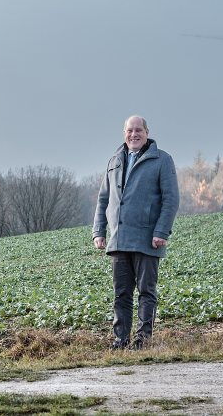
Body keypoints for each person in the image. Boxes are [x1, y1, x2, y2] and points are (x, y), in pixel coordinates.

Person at [92, 116, 180, 350]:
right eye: (129, 131)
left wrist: (161, 231)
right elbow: (103, 200)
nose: (134, 134)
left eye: (138, 130)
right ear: (124, 133)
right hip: (119, 240)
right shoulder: (114, 161)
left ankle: (143, 339)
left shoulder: (162, 160)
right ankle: (120, 339)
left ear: (147, 132)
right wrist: (98, 231)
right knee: (121, 294)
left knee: (146, 292)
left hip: (148, 239)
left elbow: (170, 200)